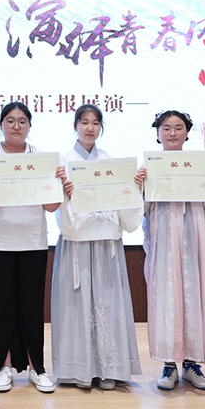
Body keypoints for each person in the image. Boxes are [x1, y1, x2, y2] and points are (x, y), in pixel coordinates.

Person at [136, 110, 205, 391]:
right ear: (158, 133)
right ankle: (168, 365)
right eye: (166, 128)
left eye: (178, 127)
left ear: (187, 132)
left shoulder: (202, 165)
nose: (172, 133)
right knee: (166, 298)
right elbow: (140, 210)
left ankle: (191, 364)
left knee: (196, 296)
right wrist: (138, 187)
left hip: (196, 240)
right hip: (164, 242)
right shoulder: (149, 167)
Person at [51, 104, 142, 390]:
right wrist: (64, 193)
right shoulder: (63, 162)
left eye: (95, 123)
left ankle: (108, 369)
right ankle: (79, 370)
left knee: (107, 304)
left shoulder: (111, 161)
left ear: (101, 127)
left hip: (105, 244)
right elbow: (59, 208)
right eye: (84, 122)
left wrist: (134, 187)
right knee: (76, 305)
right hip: (76, 245)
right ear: (75, 126)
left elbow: (126, 207)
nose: (90, 128)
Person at [0, 101, 64, 394]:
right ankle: (4, 368)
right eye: (10, 120)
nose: (16, 126)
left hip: (32, 241)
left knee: (31, 307)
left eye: (22, 121)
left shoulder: (41, 158)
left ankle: (36, 368)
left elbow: (51, 206)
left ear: (29, 126)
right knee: (3, 307)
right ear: (1, 124)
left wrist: (57, 183)